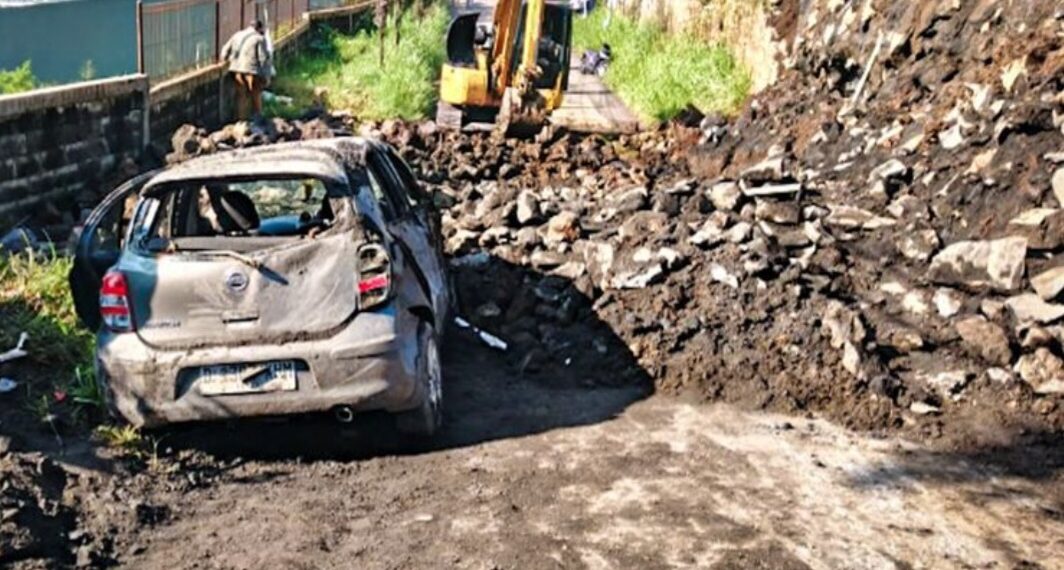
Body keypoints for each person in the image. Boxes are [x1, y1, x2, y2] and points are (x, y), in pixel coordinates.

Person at [220, 20, 272, 121]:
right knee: (255, 95)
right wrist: (266, 76)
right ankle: (258, 119)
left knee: (241, 96)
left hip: (236, 70)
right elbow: (263, 59)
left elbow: (224, 51)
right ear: (259, 28)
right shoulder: (259, 39)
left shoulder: (237, 35)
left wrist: (225, 61)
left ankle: (241, 121)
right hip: (252, 71)